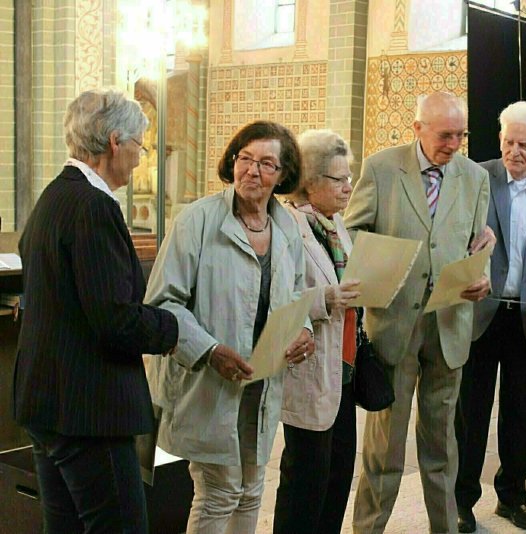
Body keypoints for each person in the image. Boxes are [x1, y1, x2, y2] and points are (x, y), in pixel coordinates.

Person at [13, 89, 179, 533]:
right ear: (114, 142)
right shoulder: (94, 207)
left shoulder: (53, 197)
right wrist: (172, 328)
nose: (140, 158)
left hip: (47, 400)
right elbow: (115, 320)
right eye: (139, 145)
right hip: (89, 409)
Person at [145, 120, 314, 534]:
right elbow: (163, 303)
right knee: (218, 492)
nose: (252, 171)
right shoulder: (197, 220)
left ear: (283, 175)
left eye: (266, 163)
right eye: (245, 159)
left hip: (261, 381)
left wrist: (304, 330)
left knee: (252, 489)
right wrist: (209, 351)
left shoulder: (288, 227)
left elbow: (296, 292)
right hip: (209, 379)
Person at [345, 91, 492, 534]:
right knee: (385, 446)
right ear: (418, 128)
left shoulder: (474, 176)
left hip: (450, 322)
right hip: (395, 322)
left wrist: (483, 276)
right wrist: (382, 269)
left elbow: (477, 242)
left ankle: (444, 527)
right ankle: (368, 529)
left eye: (461, 135)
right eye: (445, 135)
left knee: (442, 443)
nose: (454, 144)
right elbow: (350, 234)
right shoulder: (381, 168)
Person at [454, 101, 526, 533]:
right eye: (508, 142)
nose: (514, 152)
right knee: (470, 415)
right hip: (481, 313)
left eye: (525, 145)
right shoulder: (475, 177)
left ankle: (513, 498)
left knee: (519, 416)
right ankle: (462, 501)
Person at [274, 129, 362, 533]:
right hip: (309, 370)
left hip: (343, 368)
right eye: (339, 179)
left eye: (349, 178)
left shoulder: (335, 224)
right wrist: (326, 298)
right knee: (306, 481)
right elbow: (277, 296)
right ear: (309, 182)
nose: (348, 188)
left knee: (338, 473)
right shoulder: (287, 226)